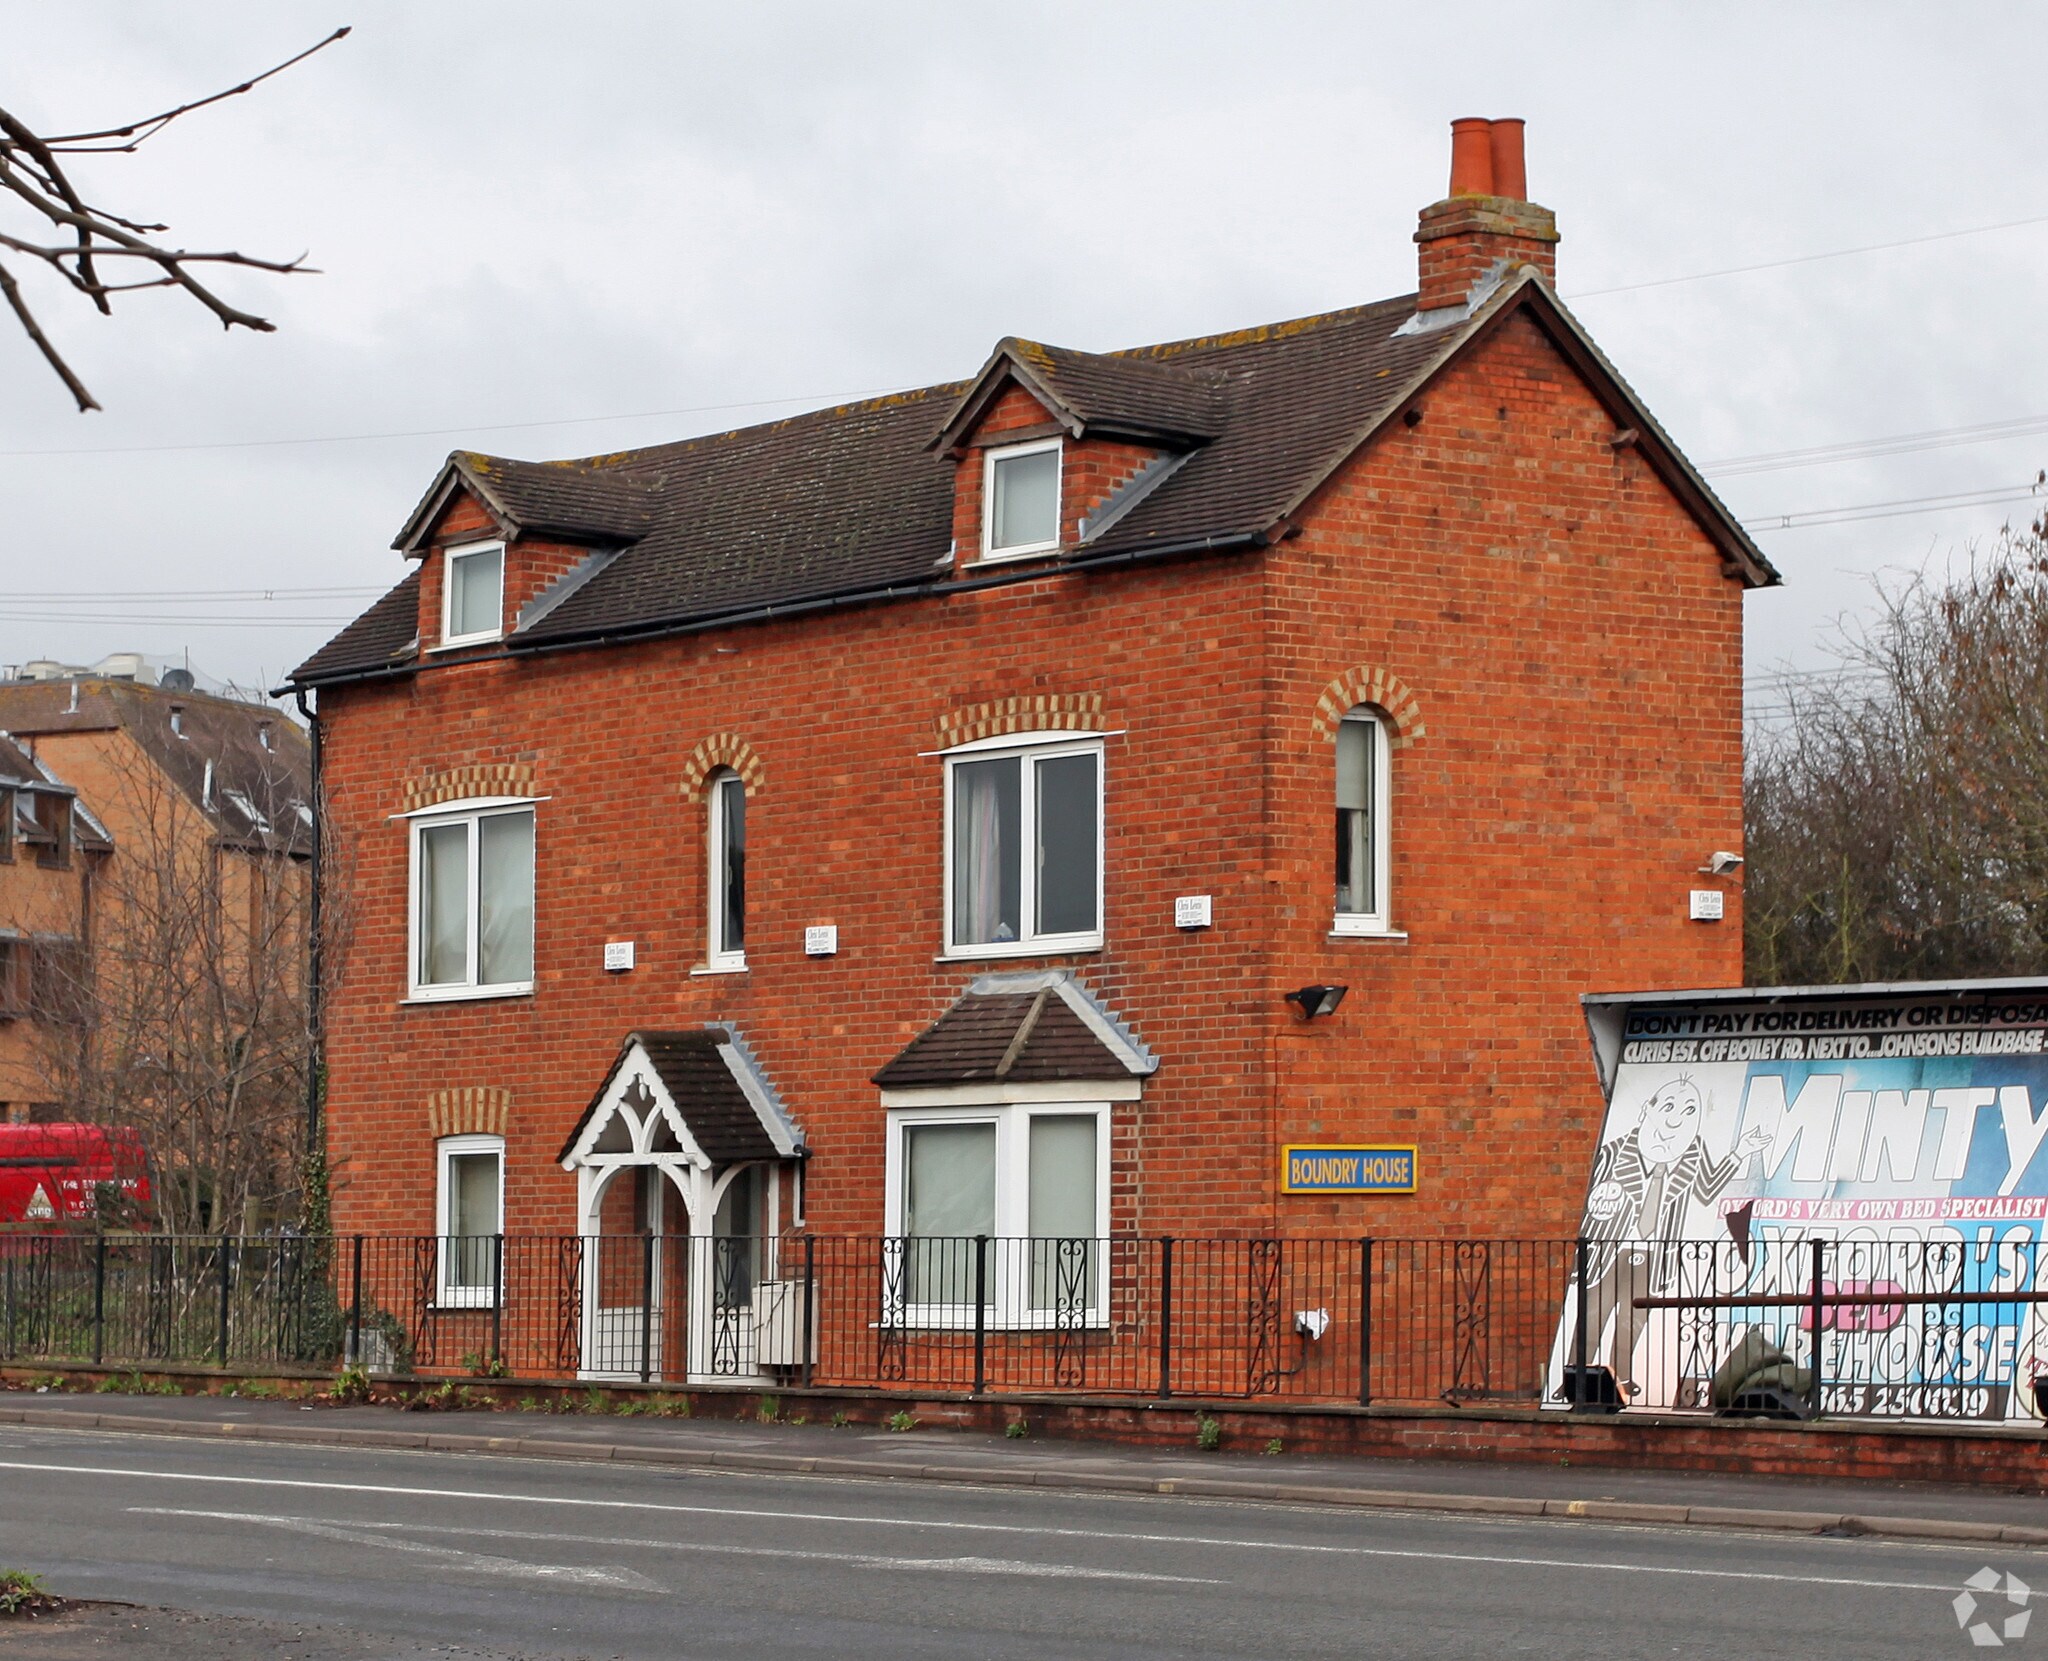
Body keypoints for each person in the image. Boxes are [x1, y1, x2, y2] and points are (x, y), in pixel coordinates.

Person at [1572, 1077, 1770, 1399]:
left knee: (1632, 1320)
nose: (1676, 1119)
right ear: (1646, 1111)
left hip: (1652, 1255)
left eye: (1689, 1111)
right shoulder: (1615, 1151)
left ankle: (1619, 1377)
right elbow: (1594, 1203)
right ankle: (1576, 1376)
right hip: (1611, 1252)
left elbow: (1707, 1191)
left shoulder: (1693, 1154)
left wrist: (1741, 1152)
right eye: (1668, 1106)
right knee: (1594, 1314)